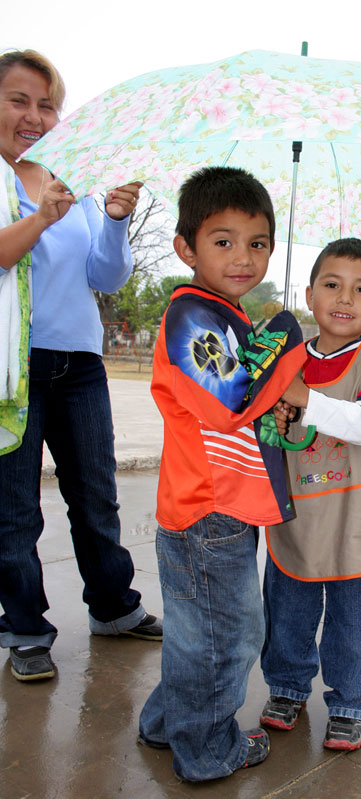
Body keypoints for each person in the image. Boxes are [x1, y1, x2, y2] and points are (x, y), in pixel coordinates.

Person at [138, 166, 306, 782]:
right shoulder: (191, 315)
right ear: (187, 248)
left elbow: (245, 402)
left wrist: (271, 367)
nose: (244, 257)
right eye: (224, 241)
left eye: (258, 242)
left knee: (198, 630)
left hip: (218, 505)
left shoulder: (222, 313)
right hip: (209, 510)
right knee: (224, 638)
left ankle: (167, 722)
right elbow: (230, 399)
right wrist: (287, 340)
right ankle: (208, 749)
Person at [0, 49, 162, 684]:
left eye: (47, 104)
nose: (35, 116)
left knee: (95, 495)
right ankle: (26, 628)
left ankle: (114, 608)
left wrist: (115, 218)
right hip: (12, 369)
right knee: (14, 507)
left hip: (80, 363)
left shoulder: (74, 178)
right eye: (19, 100)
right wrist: (41, 217)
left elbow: (106, 273)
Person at [260, 238, 361, 750]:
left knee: (355, 615)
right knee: (287, 607)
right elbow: (264, 426)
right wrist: (277, 411)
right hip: (300, 513)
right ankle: (285, 686)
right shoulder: (285, 361)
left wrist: (305, 398)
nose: (345, 298)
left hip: (360, 515)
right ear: (309, 294)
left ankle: (350, 701)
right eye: (332, 284)